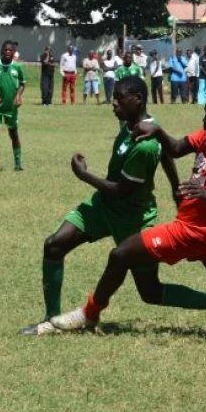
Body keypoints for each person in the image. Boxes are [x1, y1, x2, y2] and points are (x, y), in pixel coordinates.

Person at [43, 89, 206, 336]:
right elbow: (175, 148)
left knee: (120, 255)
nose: (205, 121)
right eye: (205, 114)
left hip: (193, 231)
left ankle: (89, 313)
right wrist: (159, 132)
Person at [21, 75, 180, 334]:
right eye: (113, 98)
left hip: (132, 217)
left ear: (137, 99)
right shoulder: (135, 123)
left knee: (150, 291)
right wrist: (175, 186)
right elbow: (166, 152)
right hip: (102, 207)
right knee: (54, 244)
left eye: (119, 99)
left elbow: (122, 190)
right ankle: (51, 320)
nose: (113, 104)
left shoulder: (145, 144)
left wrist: (84, 175)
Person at [0, 40, 26, 172]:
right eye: (5, 50)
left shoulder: (18, 67)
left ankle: (18, 164)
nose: (8, 52)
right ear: (1, 51)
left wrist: (19, 96)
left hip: (11, 107)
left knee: (13, 134)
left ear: (14, 53)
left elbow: (22, 83)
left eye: (10, 50)